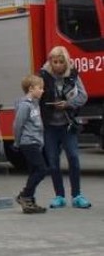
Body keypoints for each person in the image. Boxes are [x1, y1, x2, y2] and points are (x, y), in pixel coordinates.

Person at [39, 46, 91, 209]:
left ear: (67, 62)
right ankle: (59, 196)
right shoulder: (43, 76)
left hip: (68, 125)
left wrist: (68, 104)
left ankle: (77, 195)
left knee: (74, 159)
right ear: (50, 62)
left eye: (61, 62)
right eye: (55, 62)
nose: (58, 65)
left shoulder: (73, 75)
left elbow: (83, 95)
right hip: (50, 126)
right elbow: (34, 95)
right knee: (53, 162)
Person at [12, 74, 48, 214]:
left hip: (36, 142)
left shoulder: (35, 104)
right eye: (40, 88)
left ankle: (30, 202)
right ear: (31, 89)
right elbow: (18, 124)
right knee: (41, 169)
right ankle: (25, 195)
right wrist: (17, 141)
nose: (42, 91)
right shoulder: (25, 106)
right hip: (28, 142)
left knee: (34, 171)